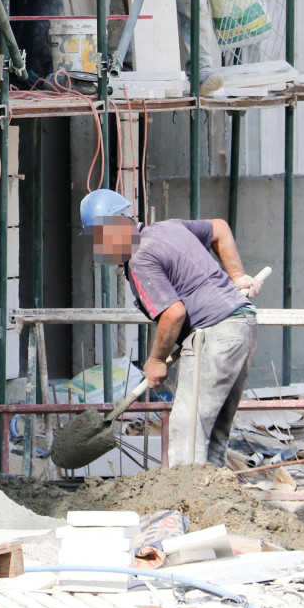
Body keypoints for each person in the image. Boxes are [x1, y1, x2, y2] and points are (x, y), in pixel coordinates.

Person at [81, 187, 264, 468]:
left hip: (214, 334)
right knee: (212, 430)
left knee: (186, 430)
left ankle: (185, 494)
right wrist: (236, 276)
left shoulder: (139, 257)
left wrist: (156, 360)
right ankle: (212, 491)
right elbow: (220, 228)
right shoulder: (168, 228)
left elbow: (174, 313)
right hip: (241, 326)